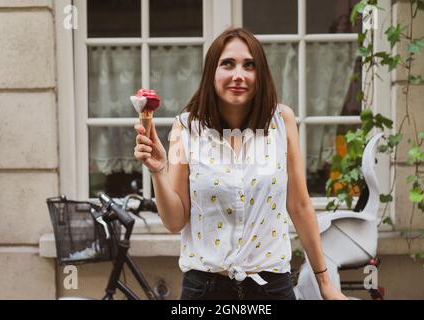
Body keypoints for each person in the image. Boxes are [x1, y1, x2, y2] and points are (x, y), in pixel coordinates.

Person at [134, 27, 347, 300]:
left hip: (270, 288)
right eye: (227, 64)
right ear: (212, 72)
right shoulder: (185, 128)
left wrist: (325, 284)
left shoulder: (282, 122)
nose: (239, 75)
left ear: (261, 75)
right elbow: (175, 221)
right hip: (205, 289)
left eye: (249, 65)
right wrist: (158, 171)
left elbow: (300, 205)